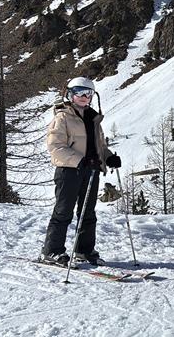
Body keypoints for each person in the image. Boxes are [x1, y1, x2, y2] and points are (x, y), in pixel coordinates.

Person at [41, 77, 121, 266]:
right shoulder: (63, 117)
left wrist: (108, 157)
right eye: (80, 92)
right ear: (70, 94)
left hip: (91, 171)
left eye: (89, 93)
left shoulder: (93, 118)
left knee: (88, 213)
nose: (85, 97)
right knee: (63, 212)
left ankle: (84, 251)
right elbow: (55, 146)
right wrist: (79, 161)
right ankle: (52, 251)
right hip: (69, 171)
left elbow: (98, 146)